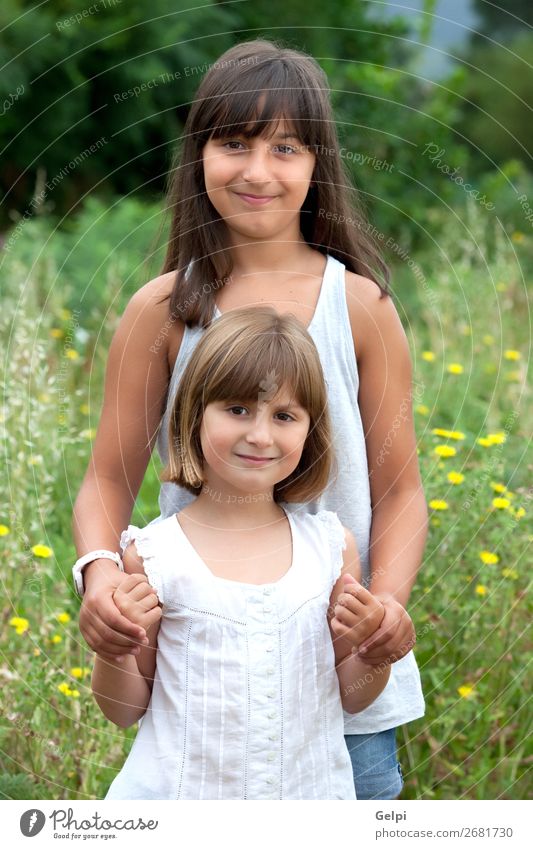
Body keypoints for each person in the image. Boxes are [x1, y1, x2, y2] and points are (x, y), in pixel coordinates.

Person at [73, 38, 428, 800]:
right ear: (198, 153)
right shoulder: (161, 312)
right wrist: (100, 578)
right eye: (233, 142)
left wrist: (385, 609)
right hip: (204, 702)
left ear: (316, 163)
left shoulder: (361, 309)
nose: (258, 170)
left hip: (345, 701)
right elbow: (107, 480)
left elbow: (400, 493)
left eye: (285, 147)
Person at [92, 307, 391, 800]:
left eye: (284, 416)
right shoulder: (152, 555)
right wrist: (113, 649)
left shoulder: (333, 549)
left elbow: (354, 698)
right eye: (237, 410)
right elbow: (122, 710)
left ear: (309, 431)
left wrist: (376, 652)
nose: (259, 435)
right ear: (194, 414)